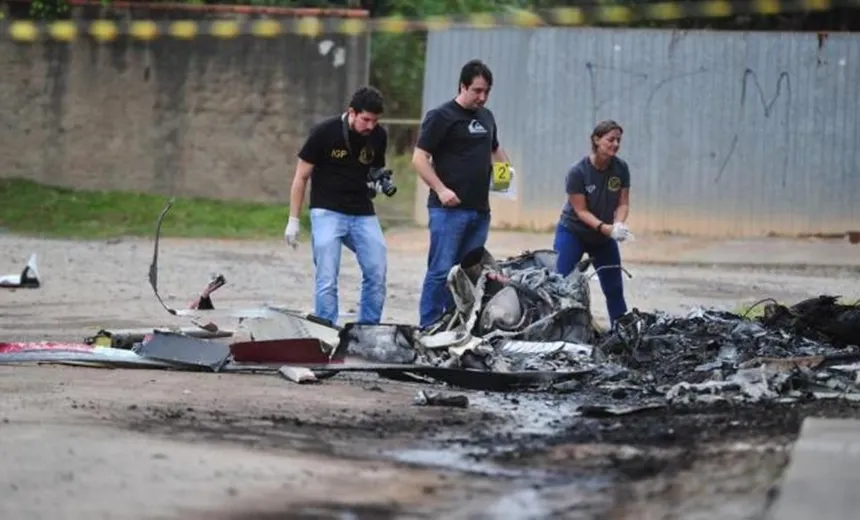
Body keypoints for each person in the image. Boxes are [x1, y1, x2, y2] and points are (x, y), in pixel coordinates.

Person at [412, 58, 514, 329]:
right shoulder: (441, 116)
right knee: (441, 271)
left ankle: (457, 324)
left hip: (479, 210)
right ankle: (430, 325)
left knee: (469, 273)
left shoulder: (487, 117)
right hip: (448, 211)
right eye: (477, 91)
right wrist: (441, 189)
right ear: (463, 86)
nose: (482, 97)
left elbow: (495, 149)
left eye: (487, 91)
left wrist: (505, 175)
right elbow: (419, 159)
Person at [284, 86, 389, 325]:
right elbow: (301, 177)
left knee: (377, 270)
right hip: (327, 210)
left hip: (362, 211)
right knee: (327, 277)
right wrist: (294, 219)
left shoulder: (378, 136)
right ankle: (326, 329)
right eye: (365, 119)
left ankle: (368, 331)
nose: (370, 126)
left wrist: (377, 183)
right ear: (351, 112)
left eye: (375, 120)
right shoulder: (324, 132)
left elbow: (375, 170)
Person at [553, 119, 633, 328]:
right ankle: (557, 330)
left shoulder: (621, 168)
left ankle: (621, 332)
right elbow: (580, 211)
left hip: (604, 238)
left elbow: (623, 202)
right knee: (561, 284)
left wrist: (618, 225)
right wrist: (605, 228)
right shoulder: (578, 171)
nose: (615, 144)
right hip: (574, 232)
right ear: (596, 140)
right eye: (610, 139)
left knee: (614, 288)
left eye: (618, 140)